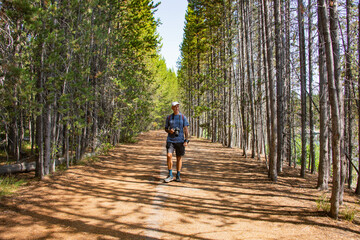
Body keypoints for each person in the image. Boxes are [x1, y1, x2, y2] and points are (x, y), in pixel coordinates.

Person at [164, 101, 189, 183]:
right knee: (169, 155)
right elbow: (165, 128)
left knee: (179, 158)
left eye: (177, 106)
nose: (176, 108)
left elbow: (186, 129)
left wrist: (186, 140)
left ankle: (178, 175)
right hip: (170, 140)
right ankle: (170, 174)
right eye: (174, 106)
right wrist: (169, 131)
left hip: (180, 140)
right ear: (172, 108)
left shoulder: (182, 117)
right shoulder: (169, 117)